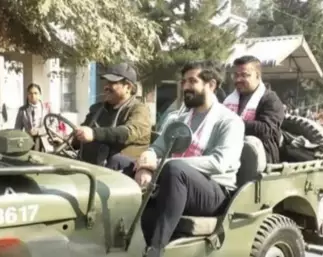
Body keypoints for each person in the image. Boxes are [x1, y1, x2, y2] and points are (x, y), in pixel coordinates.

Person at [133, 61, 245, 257]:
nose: (185, 87)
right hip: (175, 180)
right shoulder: (178, 118)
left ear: (211, 85)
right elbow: (157, 148)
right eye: (184, 81)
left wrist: (159, 165)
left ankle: (155, 250)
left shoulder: (230, 121)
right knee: (120, 162)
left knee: (175, 170)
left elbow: (219, 163)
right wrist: (145, 163)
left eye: (193, 81)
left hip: (214, 191)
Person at [74, 62, 151, 170]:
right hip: (87, 168)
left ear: (128, 87)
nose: (106, 87)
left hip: (121, 173)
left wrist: (94, 133)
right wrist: (69, 139)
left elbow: (128, 133)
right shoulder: (97, 109)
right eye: (106, 82)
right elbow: (81, 137)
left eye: (112, 83)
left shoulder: (139, 110)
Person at [223, 55, 285, 163]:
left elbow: (268, 130)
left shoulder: (270, 99)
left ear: (257, 75)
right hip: (227, 153)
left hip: (257, 160)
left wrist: (233, 123)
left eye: (244, 75)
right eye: (236, 75)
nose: (238, 79)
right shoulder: (229, 100)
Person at [15, 83, 61, 152]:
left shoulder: (47, 108)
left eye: (35, 93)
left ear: (40, 95)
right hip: (28, 144)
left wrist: (39, 131)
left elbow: (54, 125)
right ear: (27, 95)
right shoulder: (22, 110)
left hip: (46, 144)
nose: (33, 96)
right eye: (30, 93)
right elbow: (17, 129)